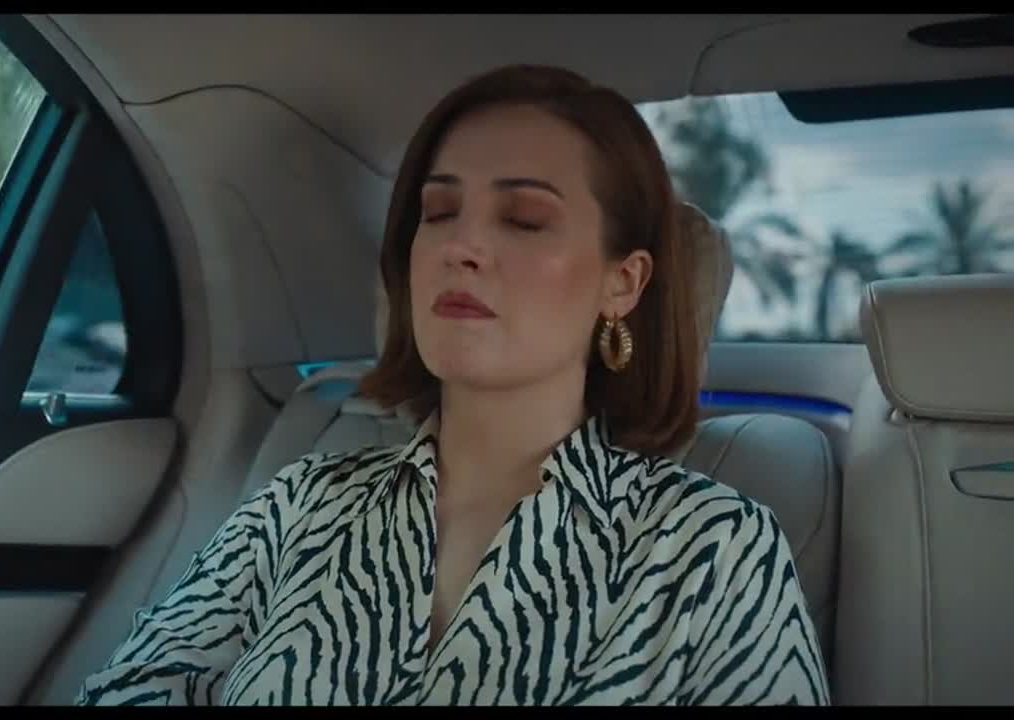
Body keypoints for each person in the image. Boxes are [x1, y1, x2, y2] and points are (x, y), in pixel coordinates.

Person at [77, 64, 830, 706]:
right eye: (437, 212)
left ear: (623, 283)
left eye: (525, 218)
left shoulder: (714, 548)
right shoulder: (299, 503)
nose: (460, 245)